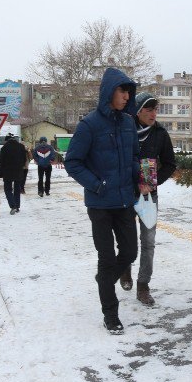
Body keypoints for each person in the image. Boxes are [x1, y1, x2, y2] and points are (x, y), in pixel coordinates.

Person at [64, 67, 141, 335]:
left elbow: (133, 157)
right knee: (106, 257)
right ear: (110, 92)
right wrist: (97, 184)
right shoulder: (89, 125)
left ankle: (104, 280)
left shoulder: (129, 122)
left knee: (130, 252)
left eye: (129, 91)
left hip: (124, 201)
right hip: (99, 204)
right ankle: (111, 314)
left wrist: (138, 178)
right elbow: (72, 162)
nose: (127, 95)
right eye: (123, 90)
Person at [120, 93, 177, 305]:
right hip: (125, 193)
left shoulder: (160, 134)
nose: (154, 114)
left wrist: (153, 183)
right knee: (126, 238)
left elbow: (171, 164)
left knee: (149, 241)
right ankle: (124, 267)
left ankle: (143, 286)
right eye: (149, 109)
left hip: (148, 196)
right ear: (138, 111)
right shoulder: (124, 131)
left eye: (156, 110)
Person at [0, 134, 27, 215]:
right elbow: (24, 159)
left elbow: (1, 162)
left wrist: (1, 174)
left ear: (7, 140)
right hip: (18, 171)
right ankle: (17, 206)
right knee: (17, 189)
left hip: (7, 172)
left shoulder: (4, 148)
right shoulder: (21, 146)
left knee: (7, 189)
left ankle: (12, 206)